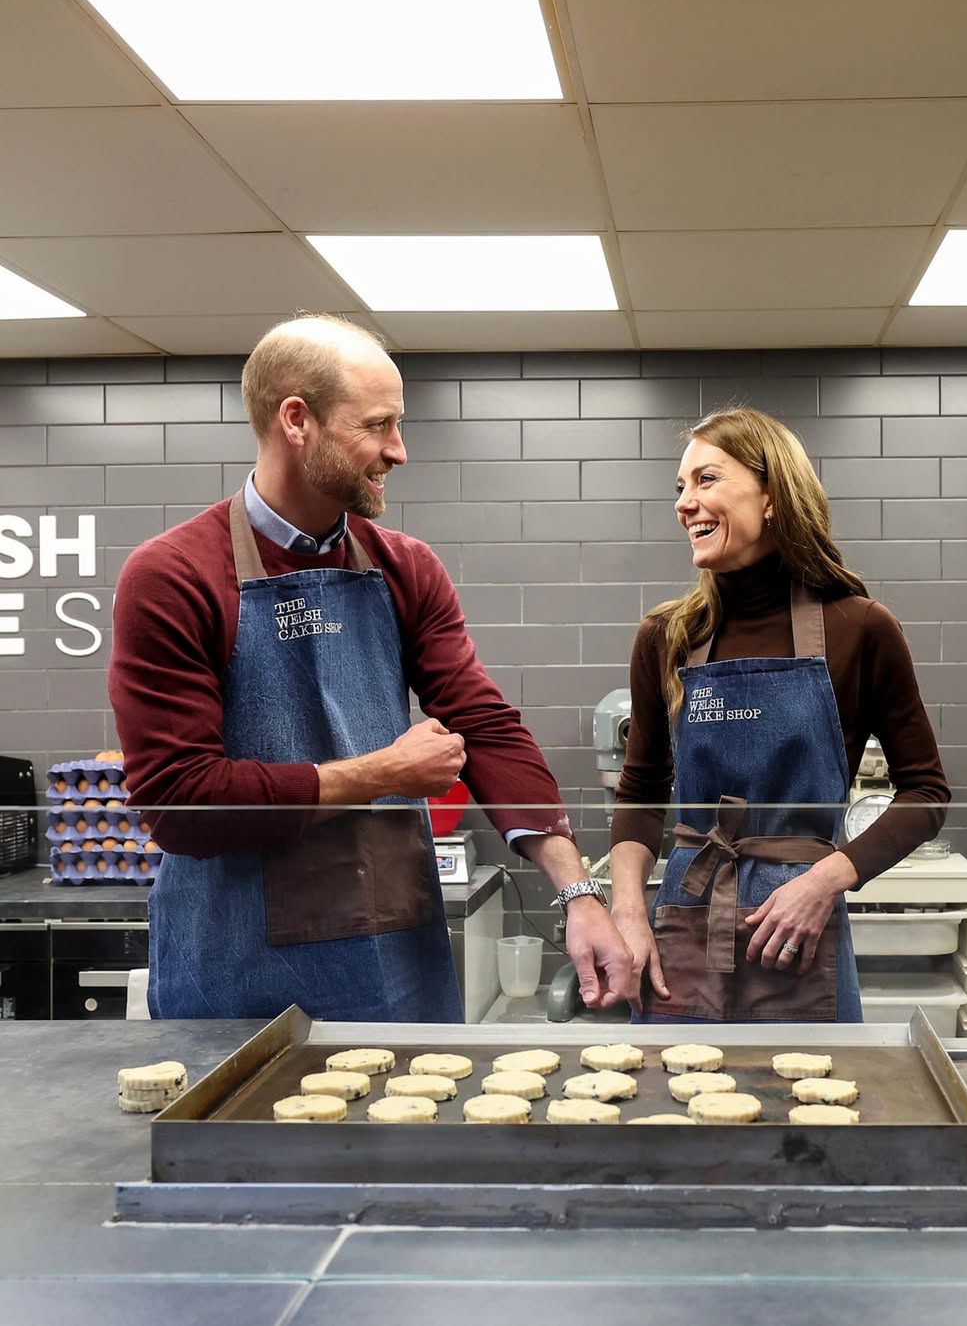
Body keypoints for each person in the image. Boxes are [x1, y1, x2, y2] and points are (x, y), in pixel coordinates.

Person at [109, 314, 633, 1022]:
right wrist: (379, 774)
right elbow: (180, 803)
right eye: (379, 425)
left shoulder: (405, 567)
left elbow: (483, 725)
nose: (400, 450)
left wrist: (577, 893)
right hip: (237, 970)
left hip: (393, 953)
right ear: (297, 420)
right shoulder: (175, 575)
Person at [608, 407, 949, 1023]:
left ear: (772, 496)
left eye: (706, 480)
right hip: (686, 909)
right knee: (671, 1104)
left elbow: (926, 792)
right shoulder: (666, 636)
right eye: (680, 487)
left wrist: (827, 881)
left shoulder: (860, 628)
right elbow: (641, 790)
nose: (685, 503)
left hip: (796, 924)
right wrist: (627, 910)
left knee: (807, 1106)